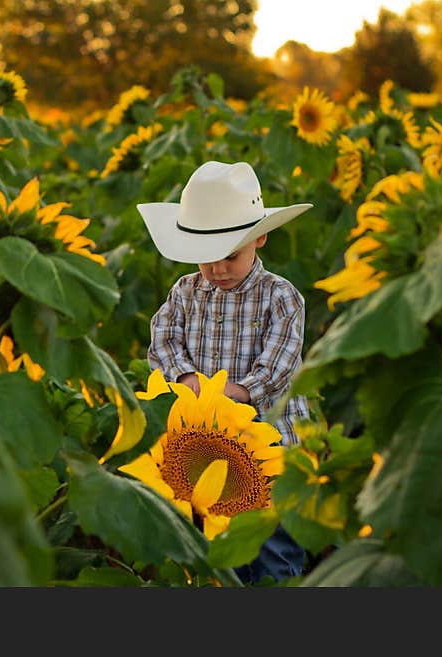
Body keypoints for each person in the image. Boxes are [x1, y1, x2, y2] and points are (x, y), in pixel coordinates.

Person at [136, 160, 313, 585]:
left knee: (274, 538)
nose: (217, 269)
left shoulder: (282, 297)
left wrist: (233, 394)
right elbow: (161, 340)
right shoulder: (185, 291)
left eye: (230, 256)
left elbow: (278, 366)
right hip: (208, 441)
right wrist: (185, 380)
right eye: (206, 259)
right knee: (219, 536)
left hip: (274, 439)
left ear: (260, 237)